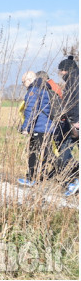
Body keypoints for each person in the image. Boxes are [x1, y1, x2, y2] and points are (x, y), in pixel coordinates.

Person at [17, 71, 57, 186]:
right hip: (43, 128)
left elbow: (31, 111)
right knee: (33, 153)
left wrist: (26, 128)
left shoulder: (33, 91)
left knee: (48, 155)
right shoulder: (43, 88)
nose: (23, 84)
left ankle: (73, 173)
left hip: (40, 129)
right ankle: (31, 178)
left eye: (23, 82)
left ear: (29, 80)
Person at [57, 56, 79, 195]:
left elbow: (74, 102)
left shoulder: (73, 82)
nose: (60, 74)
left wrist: (75, 119)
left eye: (61, 71)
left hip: (75, 123)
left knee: (64, 148)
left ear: (66, 70)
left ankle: (73, 178)